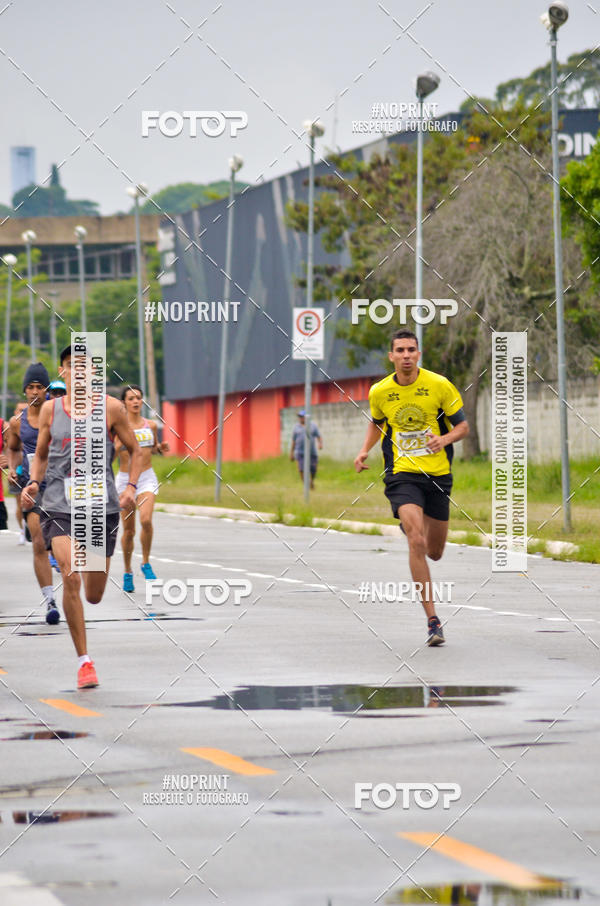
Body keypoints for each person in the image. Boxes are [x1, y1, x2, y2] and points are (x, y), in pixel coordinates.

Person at [22, 345, 143, 689]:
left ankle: (90, 584)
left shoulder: (111, 408)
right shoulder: (49, 410)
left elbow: (133, 451)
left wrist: (131, 486)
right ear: (62, 372)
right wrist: (33, 481)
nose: (78, 373)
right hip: (59, 503)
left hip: (99, 507)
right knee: (71, 577)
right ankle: (84, 662)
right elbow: (41, 454)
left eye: (85, 368)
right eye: (71, 367)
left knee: (93, 594)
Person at [354, 329, 469, 647]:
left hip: (438, 475)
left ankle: (415, 531)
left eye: (411, 349)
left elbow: (463, 426)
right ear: (391, 356)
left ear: (419, 354)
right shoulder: (380, 391)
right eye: (400, 350)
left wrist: (443, 439)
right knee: (416, 541)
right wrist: (364, 450)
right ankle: (433, 621)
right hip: (402, 475)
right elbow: (377, 422)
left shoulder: (438, 385)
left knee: (435, 551)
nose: (406, 355)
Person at [6, 364, 60, 624]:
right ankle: (50, 599)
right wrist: (15, 470)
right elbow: (13, 449)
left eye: (40, 387)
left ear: (47, 389)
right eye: (31, 387)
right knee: (38, 542)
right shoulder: (17, 422)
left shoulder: (60, 415)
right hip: (32, 487)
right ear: (25, 391)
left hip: (60, 487)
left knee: (61, 547)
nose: (35, 391)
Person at [114, 384, 169, 592]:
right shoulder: (119, 427)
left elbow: (153, 448)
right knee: (129, 531)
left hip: (146, 478)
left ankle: (145, 563)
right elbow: (112, 452)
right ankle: (128, 571)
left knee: (146, 519)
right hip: (125, 480)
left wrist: (159, 449)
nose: (136, 402)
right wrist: (118, 444)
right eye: (131, 398)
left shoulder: (151, 425)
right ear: (124, 403)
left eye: (139, 398)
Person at [290, 410, 323, 490]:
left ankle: (311, 481)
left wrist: (320, 444)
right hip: (300, 452)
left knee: (313, 470)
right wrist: (291, 453)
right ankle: (307, 485)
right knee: (301, 469)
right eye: (299, 417)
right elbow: (293, 441)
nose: (300, 418)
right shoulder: (296, 427)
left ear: (306, 418)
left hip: (311, 452)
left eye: (302, 417)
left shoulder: (312, 426)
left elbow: (319, 436)